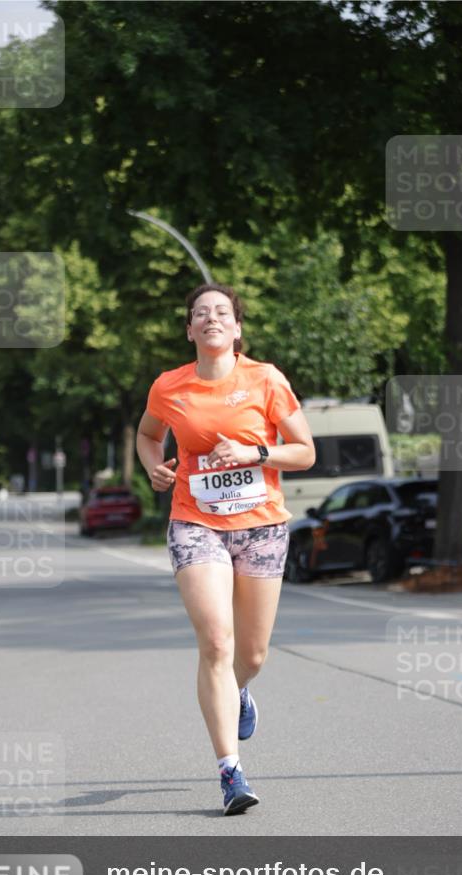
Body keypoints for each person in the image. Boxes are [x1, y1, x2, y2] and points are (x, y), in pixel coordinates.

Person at [136, 283, 315, 816]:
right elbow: (148, 435)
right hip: (196, 522)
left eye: (221, 312)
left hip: (261, 526)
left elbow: (305, 452)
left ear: (237, 328)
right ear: (189, 330)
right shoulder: (169, 387)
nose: (210, 319)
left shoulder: (265, 379)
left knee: (251, 654)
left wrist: (255, 451)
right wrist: (154, 465)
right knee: (216, 640)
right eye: (200, 314)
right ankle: (231, 772)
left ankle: (238, 692)